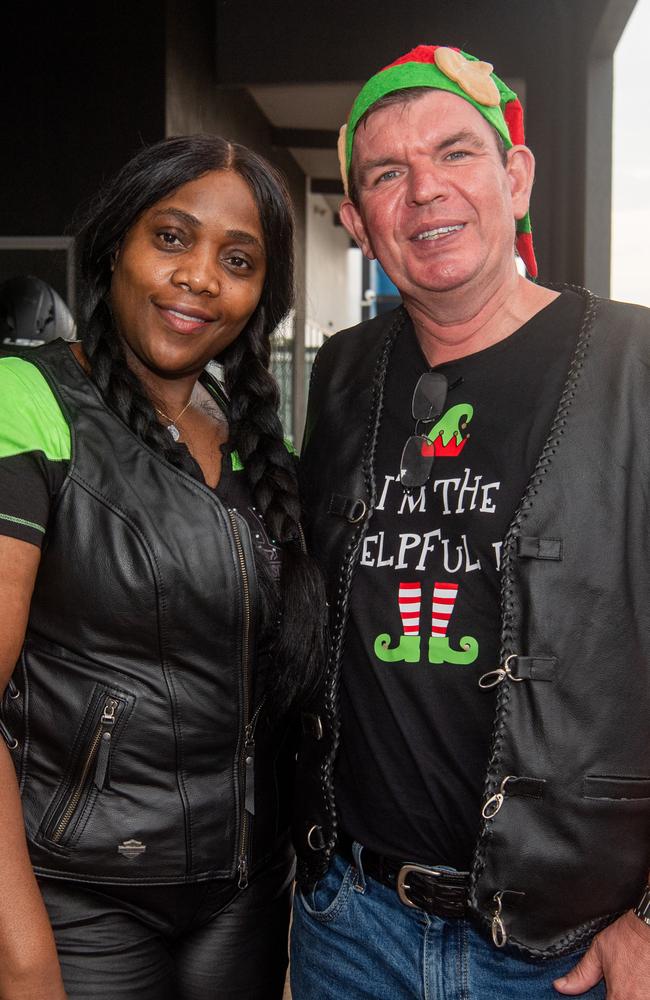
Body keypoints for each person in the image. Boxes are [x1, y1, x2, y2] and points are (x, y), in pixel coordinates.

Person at [290, 43, 650, 999]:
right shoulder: (343, 377)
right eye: (388, 174)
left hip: (565, 949)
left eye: (455, 153)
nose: (426, 191)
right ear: (360, 221)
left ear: (516, 178)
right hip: (348, 925)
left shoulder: (635, 366)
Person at [0, 134, 325, 1000]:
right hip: (79, 899)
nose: (200, 278)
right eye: (172, 238)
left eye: (240, 259)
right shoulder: (24, 398)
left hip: (245, 898)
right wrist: (24, 957)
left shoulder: (254, 441)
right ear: (116, 248)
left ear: (262, 296)